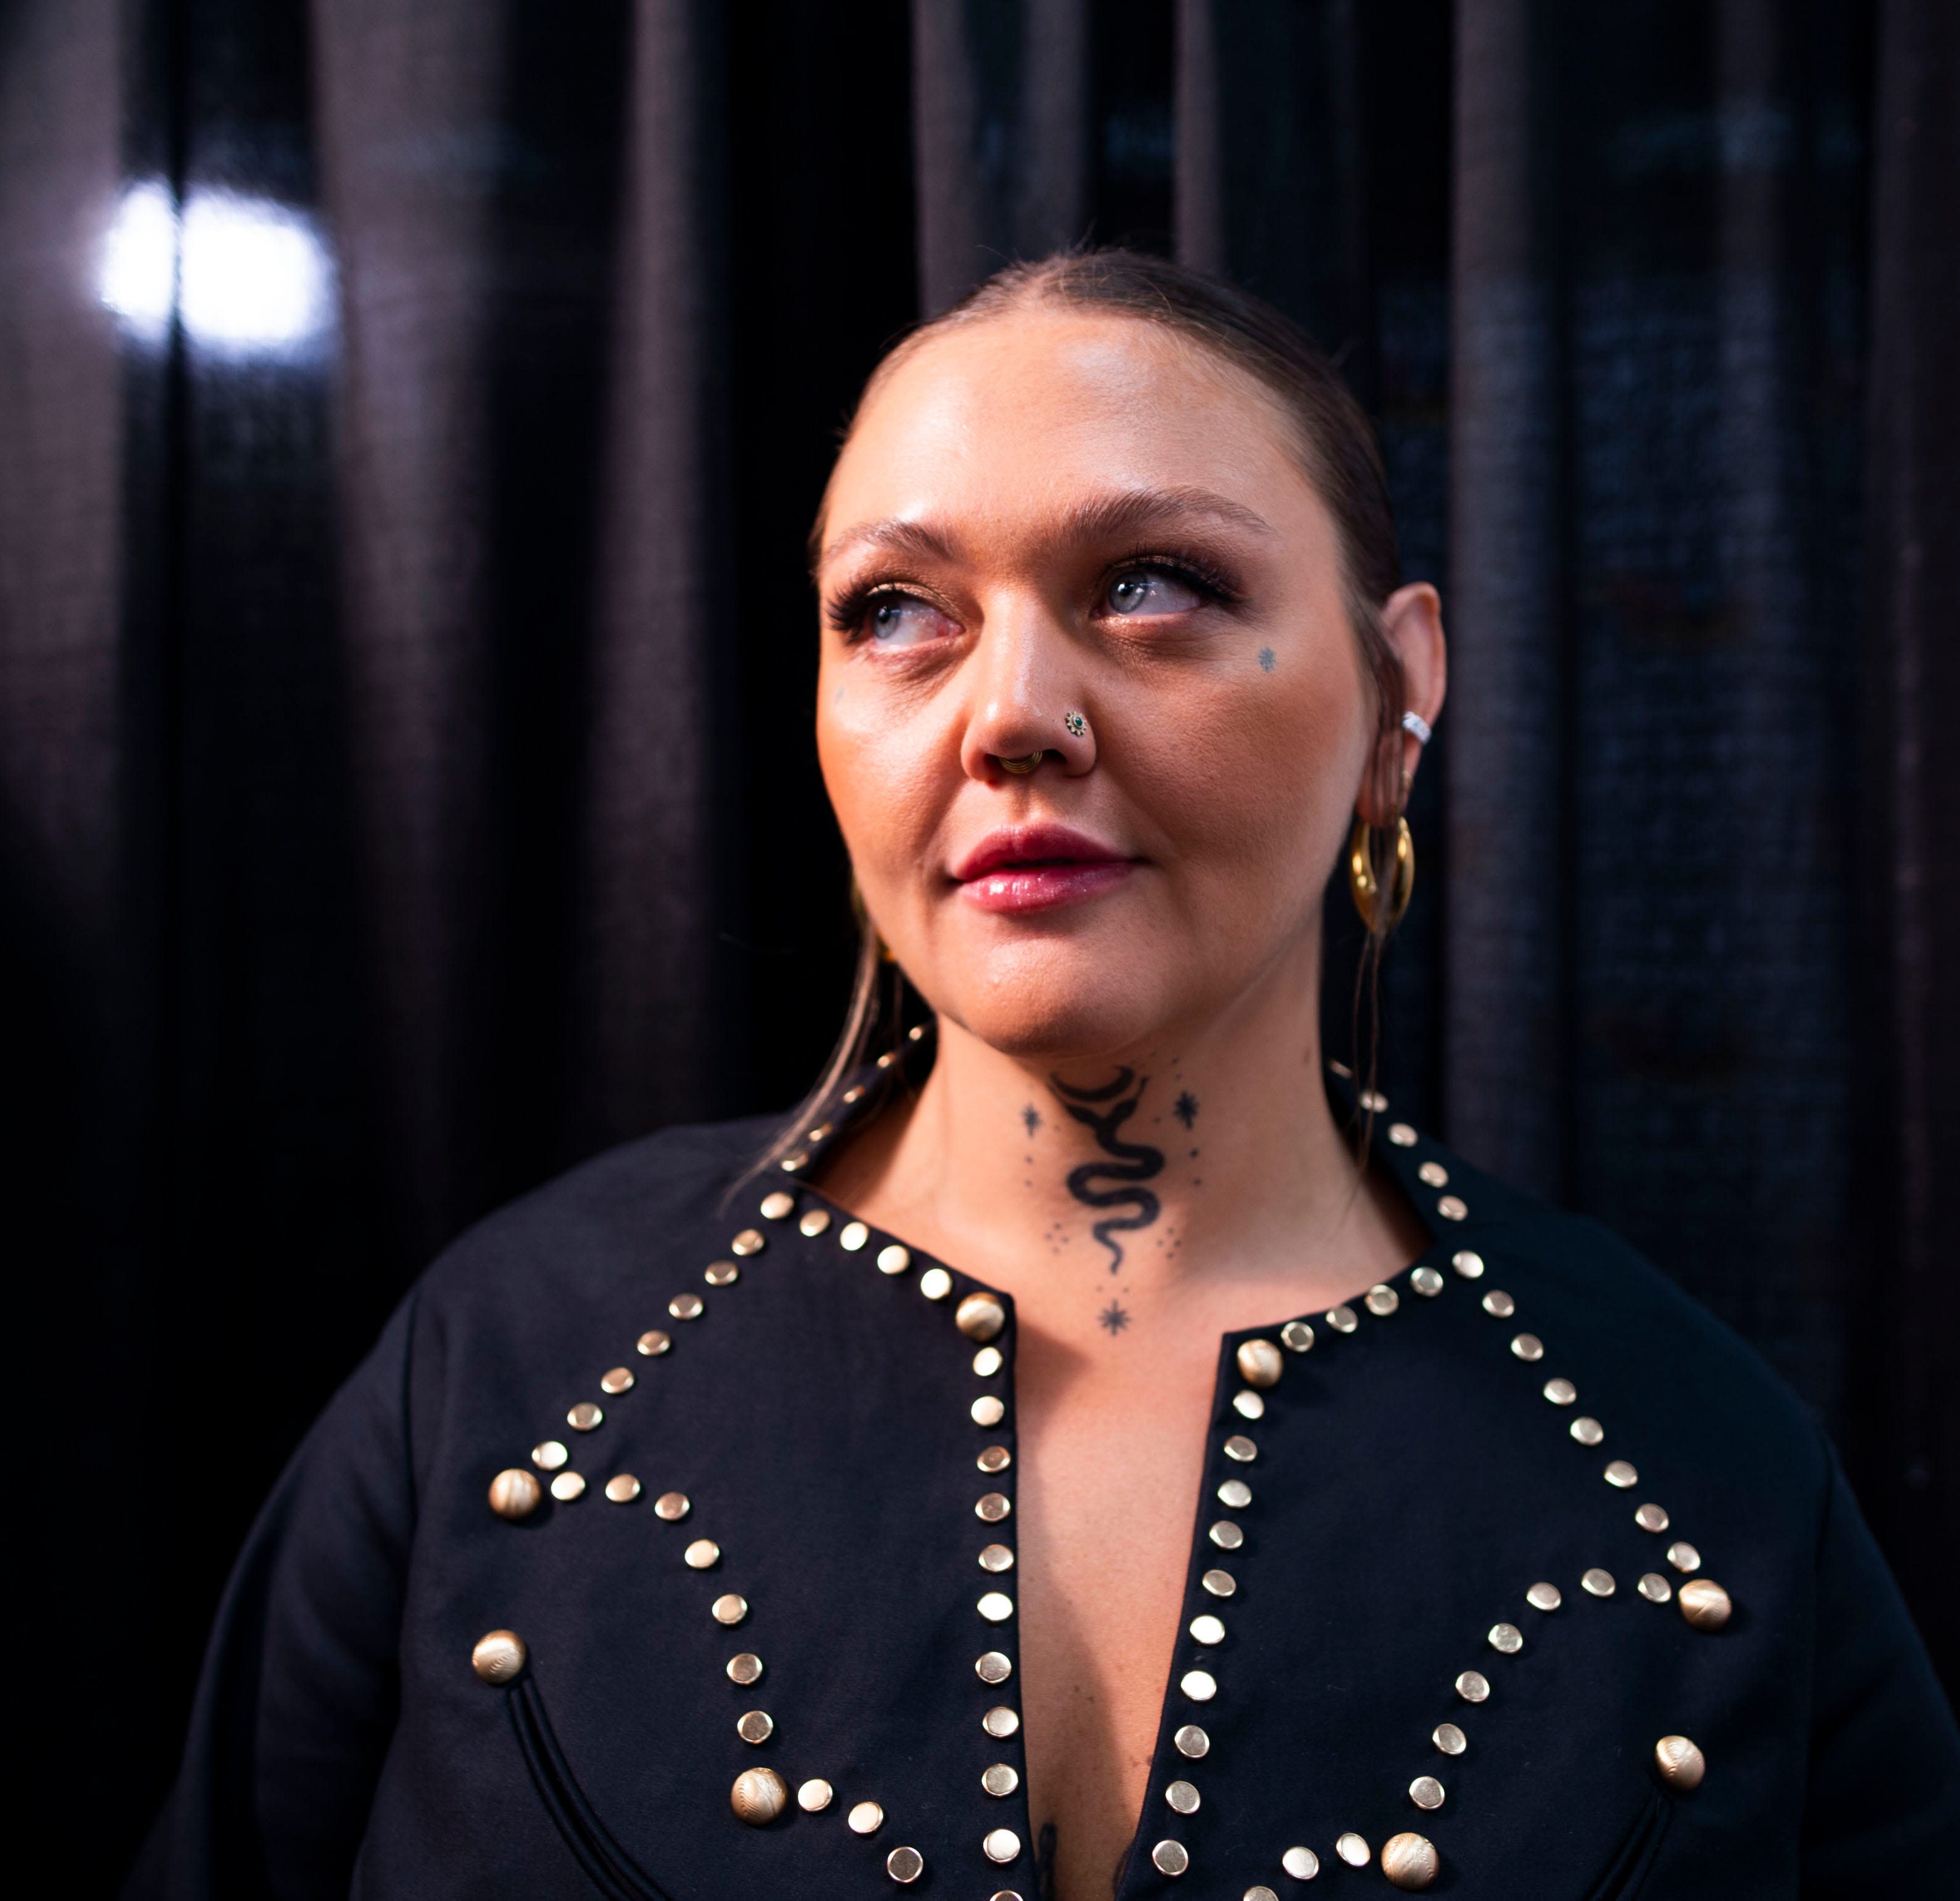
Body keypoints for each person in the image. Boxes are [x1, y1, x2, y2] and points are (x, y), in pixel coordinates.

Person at [126, 252, 1958, 1901]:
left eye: (1151, 582)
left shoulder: (1696, 1472)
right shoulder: (507, 1367)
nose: (1008, 710)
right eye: (896, 612)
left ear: (1400, 691)